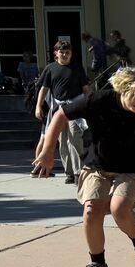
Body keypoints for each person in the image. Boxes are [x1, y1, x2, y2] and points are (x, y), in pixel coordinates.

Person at [32, 66, 135, 267]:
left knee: (119, 208)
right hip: (98, 164)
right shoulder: (97, 100)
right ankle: (98, 265)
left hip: (134, 168)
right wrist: (48, 152)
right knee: (91, 210)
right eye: (134, 98)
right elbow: (61, 115)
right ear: (121, 91)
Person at [34, 40, 90, 183]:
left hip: (75, 108)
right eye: (62, 52)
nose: (64, 55)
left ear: (71, 54)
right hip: (58, 109)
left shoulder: (77, 68)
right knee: (62, 141)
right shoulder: (50, 68)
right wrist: (38, 106)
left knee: (75, 137)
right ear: (56, 53)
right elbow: (44, 89)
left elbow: (85, 88)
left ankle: (79, 172)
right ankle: (69, 172)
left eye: (67, 52)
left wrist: (90, 103)